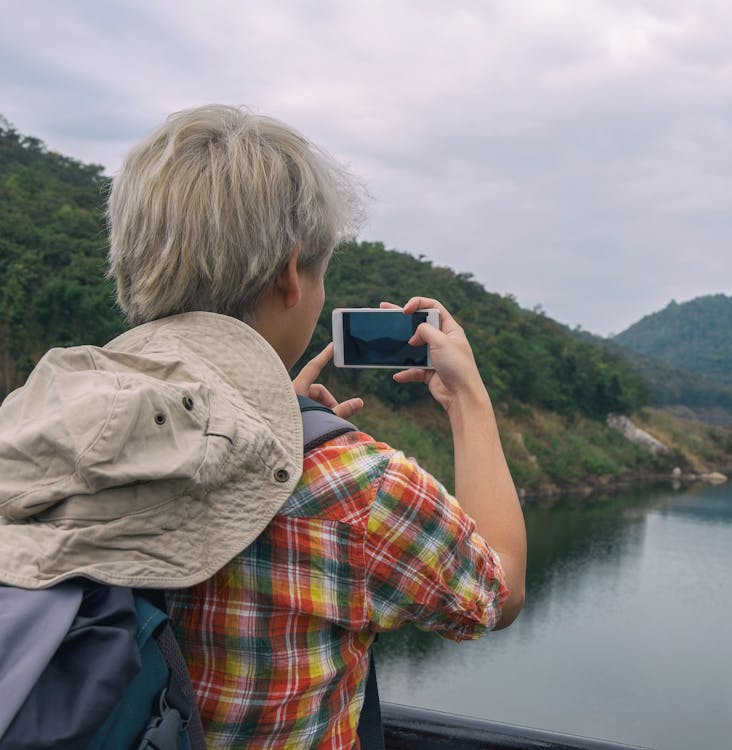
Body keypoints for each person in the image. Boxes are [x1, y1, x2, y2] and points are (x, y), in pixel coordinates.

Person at [0, 104, 525, 748]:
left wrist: (276, 412)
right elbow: (496, 594)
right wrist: (468, 400)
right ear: (290, 272)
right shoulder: (353, 488)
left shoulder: (44, 418)